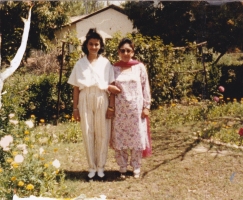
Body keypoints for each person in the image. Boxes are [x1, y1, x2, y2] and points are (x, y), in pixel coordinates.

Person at [68, 28, 120, 180]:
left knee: (103, 133)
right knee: (88, 132)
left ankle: (101, 167)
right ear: (86, 45)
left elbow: (111, 85)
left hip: (101, 97)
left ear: (100, 46)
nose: (94, 47)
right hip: (85, 97)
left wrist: (111, 107)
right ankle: (91, 167)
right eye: (91, 44)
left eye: (97, 44)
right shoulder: (80, 64)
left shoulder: (106, 63)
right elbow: (76, 88)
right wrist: (75, 108)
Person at [109, 38, 151, 179]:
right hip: (120, 111)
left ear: (133, 52)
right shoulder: (114, 68)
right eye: (122, 50)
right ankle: (122, 167)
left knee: (137, 139)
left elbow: (146, 87)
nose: (125, 53)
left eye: (128, 50)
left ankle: (136, 167)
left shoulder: (139, 67)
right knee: (120, 139)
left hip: (136, 111)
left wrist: (147, 106)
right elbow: (109, 86)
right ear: (118, 52)